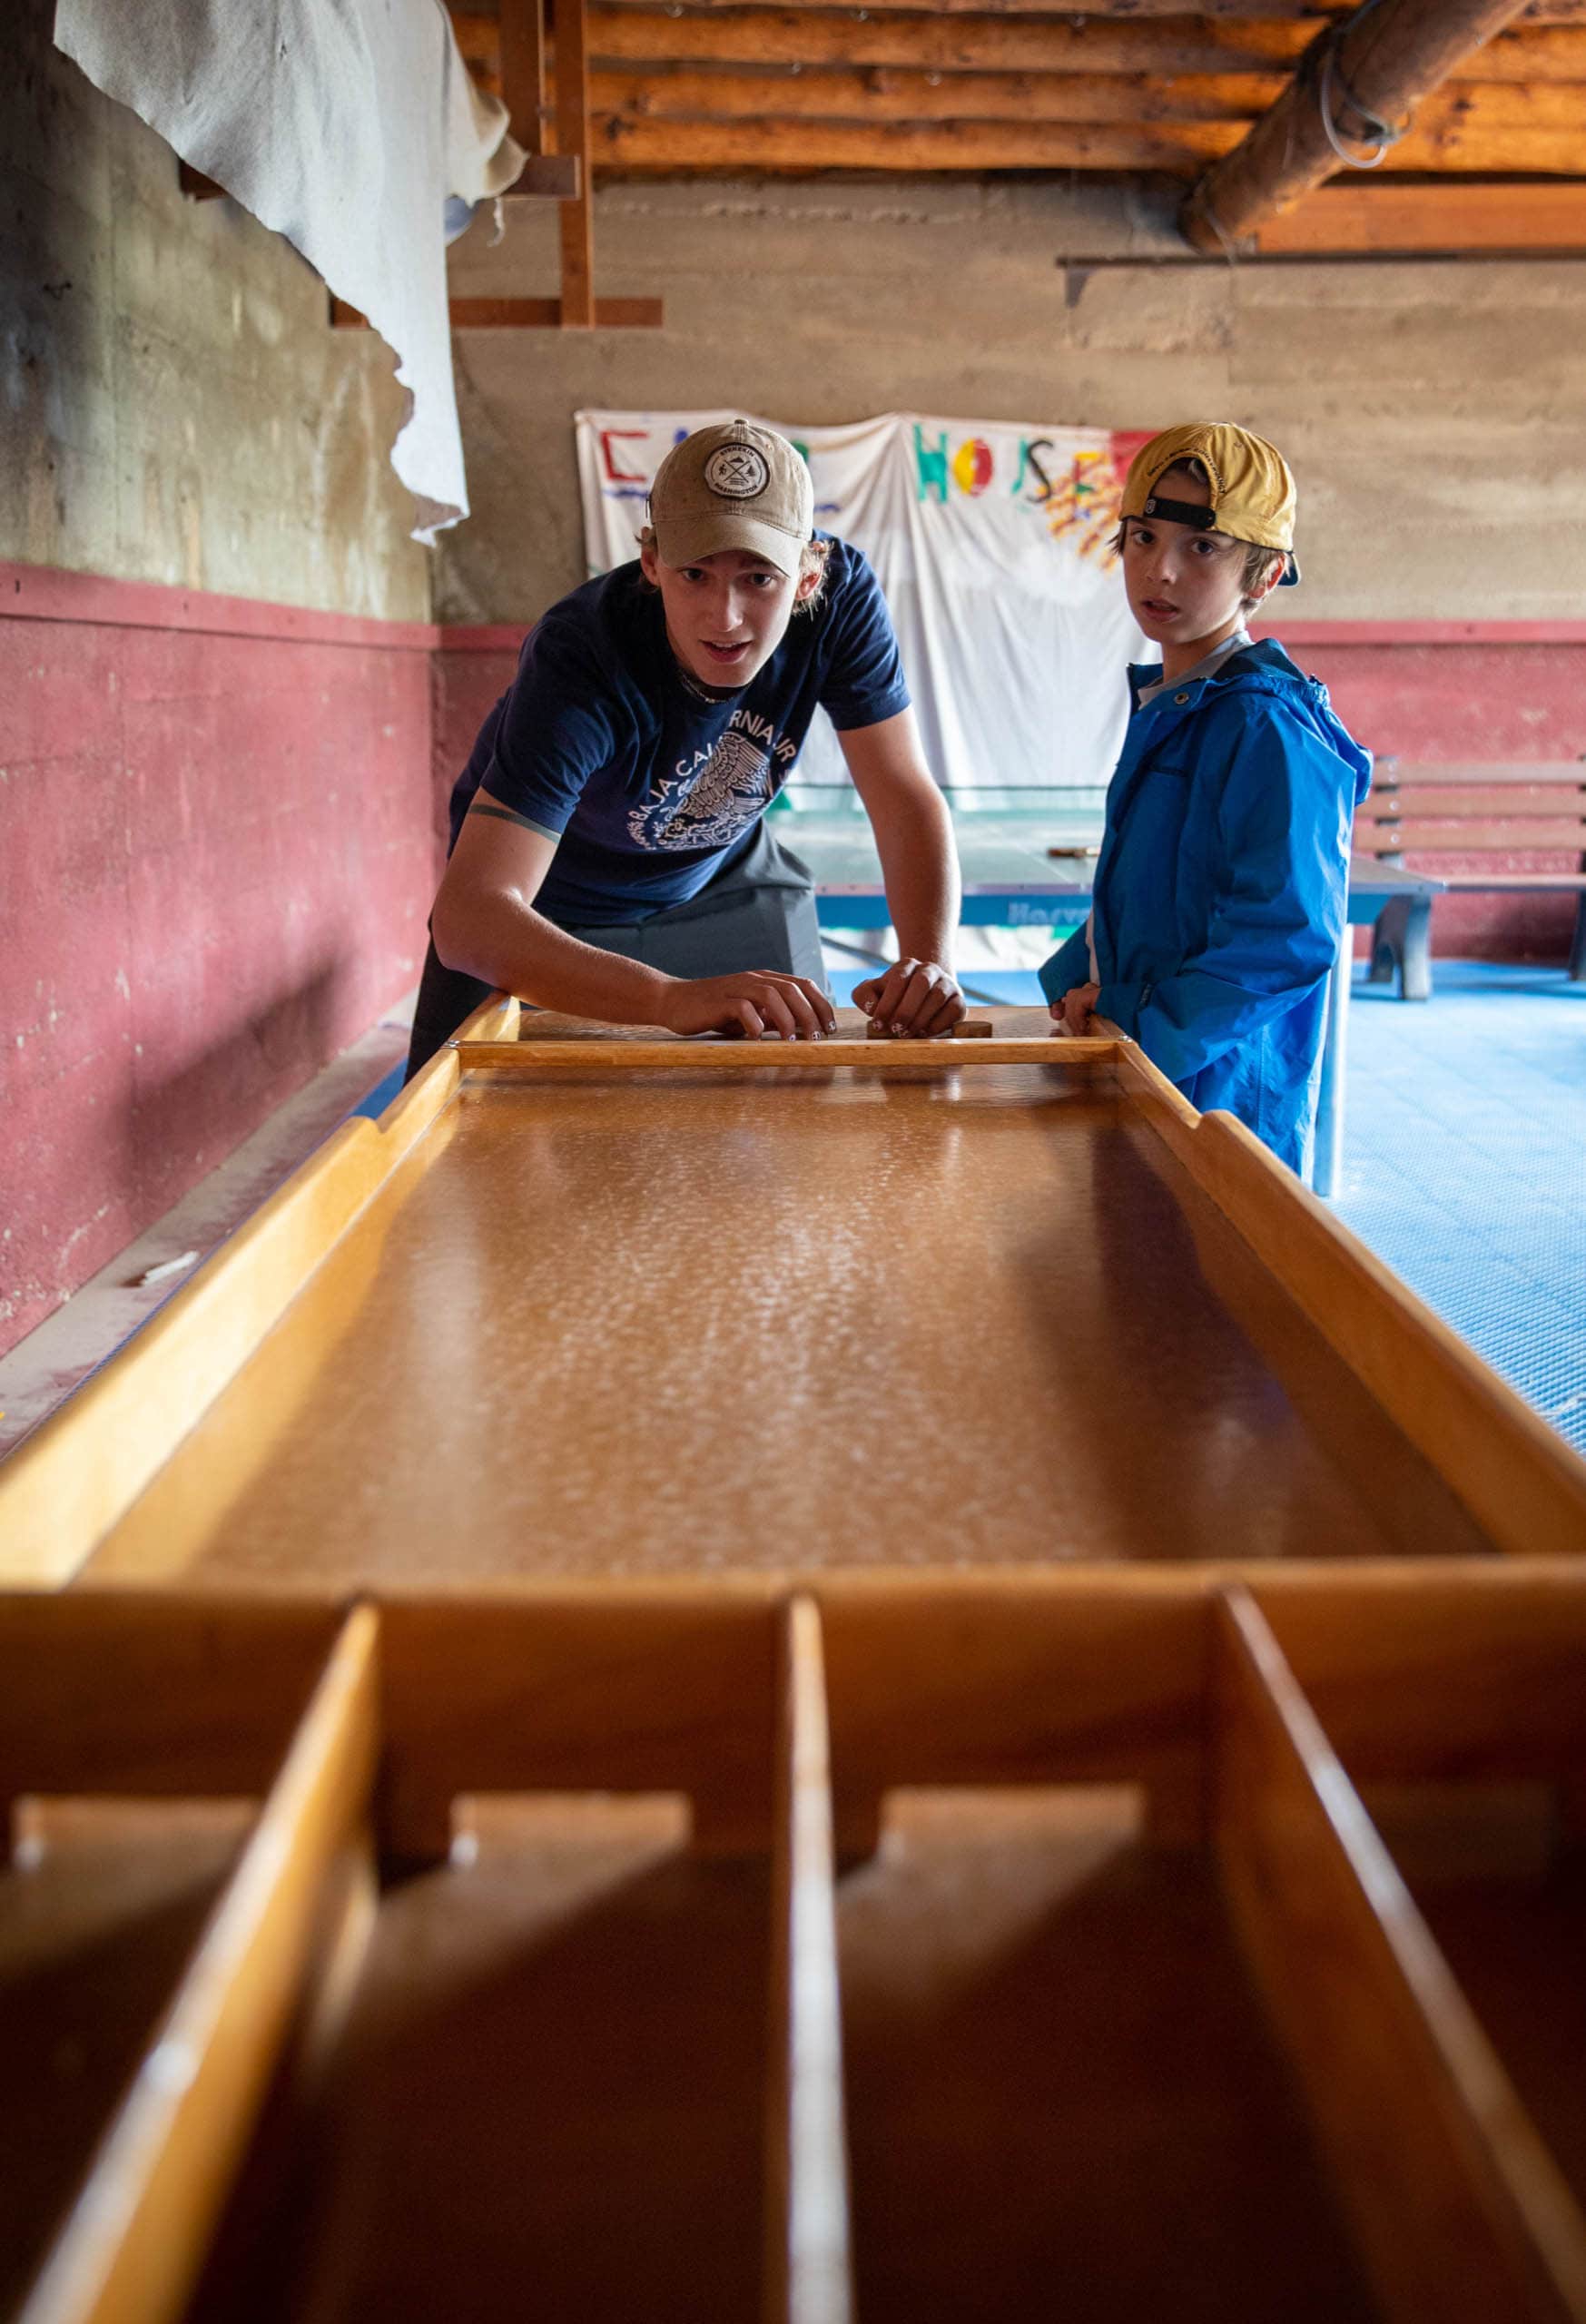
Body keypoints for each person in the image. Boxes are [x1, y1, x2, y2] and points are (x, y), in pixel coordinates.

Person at [407, 418, 964, 1075]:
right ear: (651, 564)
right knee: (451, 1142)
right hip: (550, 906)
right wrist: (666, 998)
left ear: (809, 579)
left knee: (806, 1098)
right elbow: (469, 918)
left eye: (758, 578)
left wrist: (929, 964)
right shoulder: (582, 656)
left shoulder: (841, 606)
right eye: (694, 574)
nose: (723, 617)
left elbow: (901, 793)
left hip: (722, 871)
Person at [1040, 421, 1371, 1180]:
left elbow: (1284, 936)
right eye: (1142, 537)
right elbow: (1149, 890)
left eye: (1202, 547)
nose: (1159, 570)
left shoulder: (1264, 724)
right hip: (1149, 1063)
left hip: (1218, 1099)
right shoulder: (1177, 704)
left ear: (1263, 574)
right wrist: (1079, 984)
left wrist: (1138, 1025)